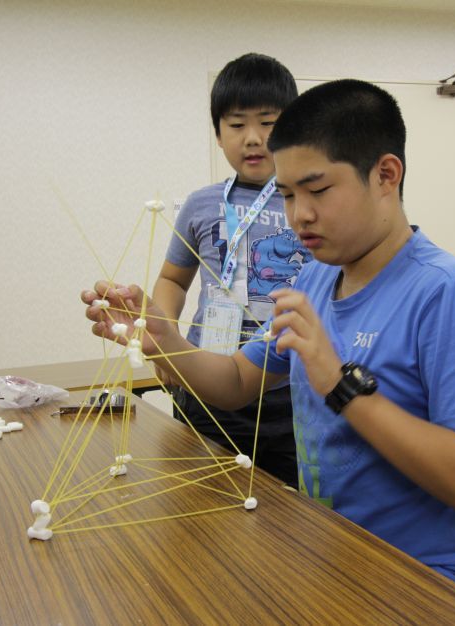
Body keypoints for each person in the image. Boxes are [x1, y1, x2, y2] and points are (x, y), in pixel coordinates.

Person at [83, 79, 455, 610]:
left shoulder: (453, 297)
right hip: (329, 557)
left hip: (431, 586)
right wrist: (165, 340)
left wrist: (341, 386)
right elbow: (238, 383)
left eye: (317, 191)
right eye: (288, 195)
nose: (298, 216)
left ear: (386, 175)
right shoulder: (315, 280)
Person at [151, 52, 309, 488]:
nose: (253, 138)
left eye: (269, 123)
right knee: (203, 507)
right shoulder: (202, 204)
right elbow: (172, 279)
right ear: (219, 135)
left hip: (289, 392)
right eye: (237, 125)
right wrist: (165, 331)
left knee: (288, 516)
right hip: (206, 383)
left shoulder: (310, 204)